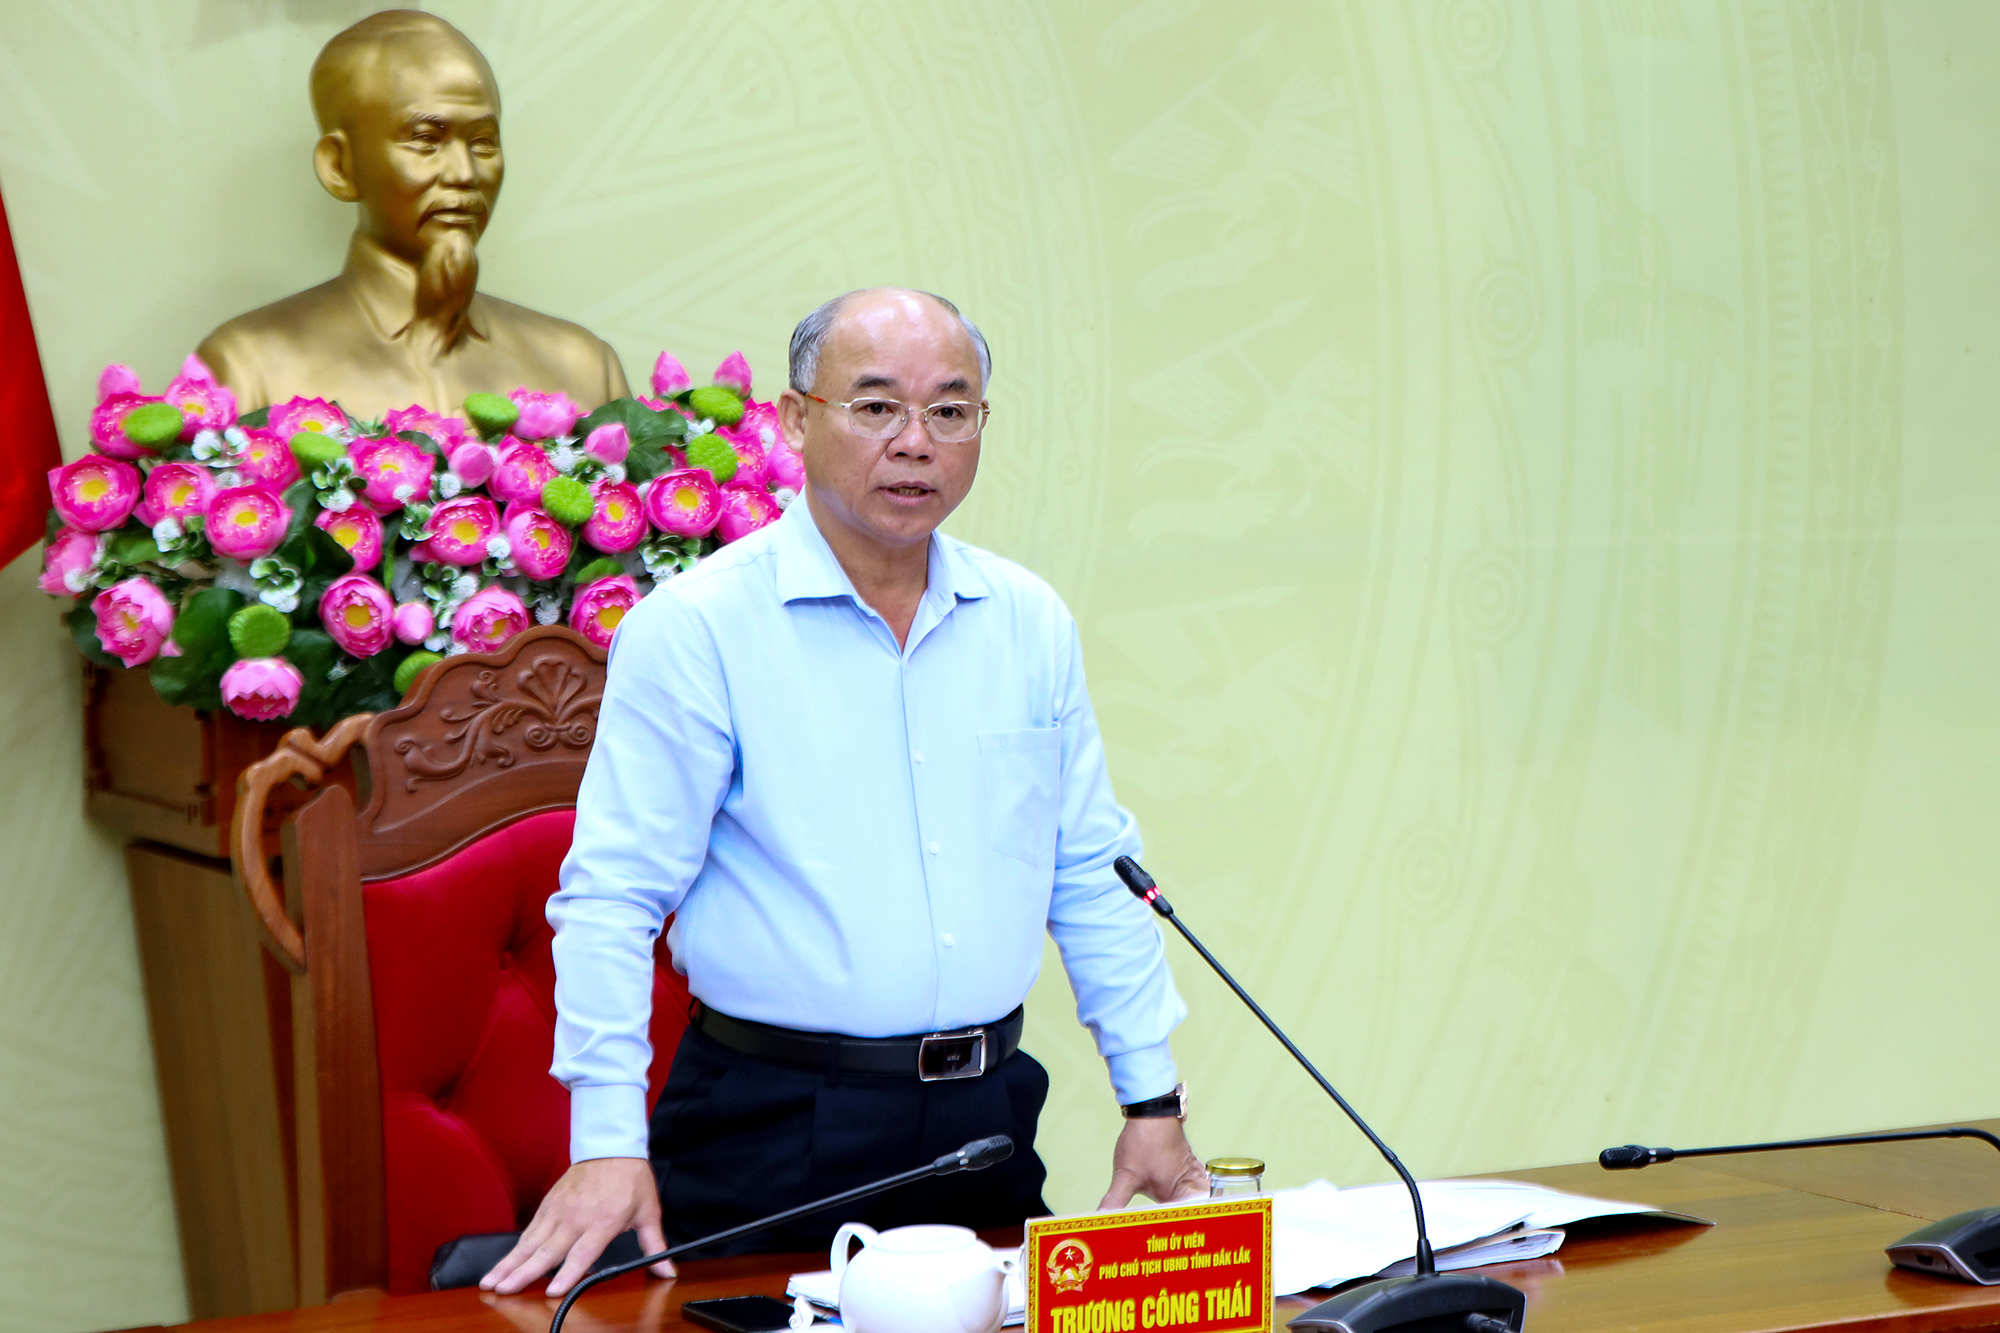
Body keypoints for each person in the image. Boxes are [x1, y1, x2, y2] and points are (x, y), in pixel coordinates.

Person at [483, 289, 1207, 1298]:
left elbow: (1090, 870)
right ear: (794, 420)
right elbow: (612, 897)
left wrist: (1151, 1099)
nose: (916, 442)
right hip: (771, 1128)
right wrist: (606, 1138)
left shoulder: (1026, 620)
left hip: (985, 1121)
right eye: (875, 407)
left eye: (950, 410)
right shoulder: (699, 629)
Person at [196, 10, 627, 420]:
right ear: (340, 167)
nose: (464, 174)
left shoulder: (584, 370)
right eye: (425, 140)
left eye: (482, 142)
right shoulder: (249, 366)